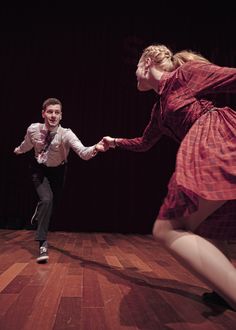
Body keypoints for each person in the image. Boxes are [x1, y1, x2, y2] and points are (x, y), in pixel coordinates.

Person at [102, 44, 236, 310]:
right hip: (206, 146)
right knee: (208, 228)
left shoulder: (185, 75)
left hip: (218, 138)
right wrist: (114, 142)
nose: (135, 77)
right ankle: (224, 288)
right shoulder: (159, 109)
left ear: (148, 62)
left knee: (167, 230)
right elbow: (144, 142)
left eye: (136, 70)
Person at [14, 97, 107, 263]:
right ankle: (42, 244)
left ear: (61, 116)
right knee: (46, 199)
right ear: (43, 113)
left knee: (51, 203)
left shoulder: (66, 134)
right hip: (39, 169)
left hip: (58, 171)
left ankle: (39, 212)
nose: (53, 115)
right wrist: (19, 150)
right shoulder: (33, 129)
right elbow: (27, 144)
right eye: (50, 111)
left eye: (57, 112)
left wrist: (96, 148)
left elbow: (83, 153)